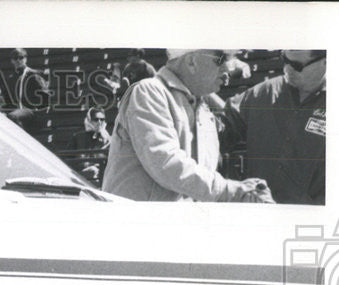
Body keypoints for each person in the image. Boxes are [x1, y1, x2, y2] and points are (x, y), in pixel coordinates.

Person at [102, 49, 273, 202]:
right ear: (191, 61)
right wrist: (231, 191)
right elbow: (167, 164)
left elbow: (200, 188)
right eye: (220, 59)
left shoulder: (204, 112)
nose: (228, 69)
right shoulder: (149, 92)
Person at [210, 50, 326, 205]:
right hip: (259, 213)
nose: (287, 69)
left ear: (325, 62)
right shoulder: (264, 92)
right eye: (285, 60)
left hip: (308, 219)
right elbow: (218, 133)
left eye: (297, 65)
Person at [0, 48, 51, 136]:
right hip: (19, 113)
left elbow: (45, 95)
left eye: (21, 57)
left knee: (12, 116)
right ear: (12, 61)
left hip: (33, 112)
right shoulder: (11, 78)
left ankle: (23, 138)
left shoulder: (33, 74)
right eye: (15, 58)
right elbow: (9, 100)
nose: (18, 60)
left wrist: (37, 108)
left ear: (25, 59)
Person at [66, 107, 111, 185]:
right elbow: (67, 160)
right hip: (80, 178)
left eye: (102, 119)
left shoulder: (108, 139)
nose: (99, 122)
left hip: (101, 181)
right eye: (96, 119)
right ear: (89, 120)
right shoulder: (78, 137)